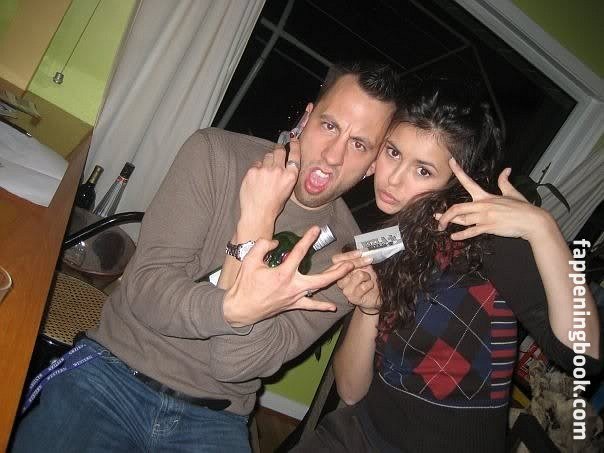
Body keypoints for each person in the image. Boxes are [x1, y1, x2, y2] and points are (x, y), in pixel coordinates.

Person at [11, 61, 399, 452]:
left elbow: (236, 365)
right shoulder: (215, 154)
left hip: (215, 417)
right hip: (115, 372)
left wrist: (254, 229)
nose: (333, 156)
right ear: (305, 119)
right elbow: (145, 293)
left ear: (372, 165)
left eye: (359, 144)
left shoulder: (347, 260)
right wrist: (239, 294)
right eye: (329, 126)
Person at [292, 80, 601, 452]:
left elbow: (584, 356)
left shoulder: (483, 240)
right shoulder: (380, 241)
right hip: (357, 433)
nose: (394, 178)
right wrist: (369, 307)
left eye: (422, 170)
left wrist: (544, 229)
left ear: (453, 181)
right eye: (393, 152)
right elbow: (350, 390)